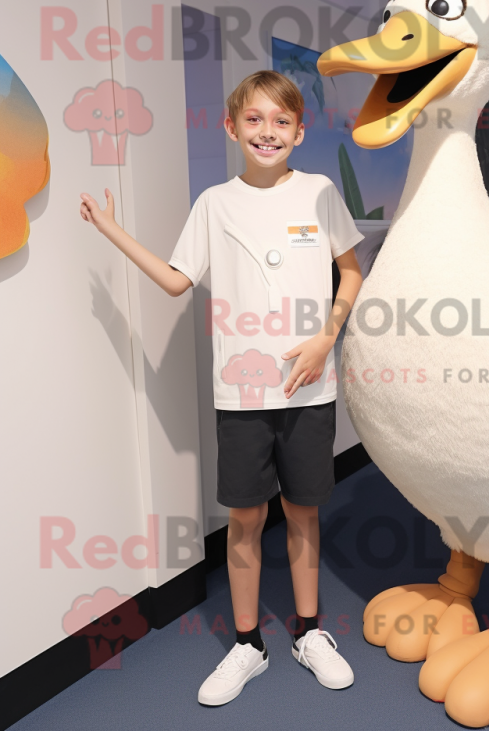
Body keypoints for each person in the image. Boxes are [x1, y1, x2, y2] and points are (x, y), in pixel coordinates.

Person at [79, 70, 365, 705]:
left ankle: (309, 634)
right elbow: (179, 281)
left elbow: (350, 271)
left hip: (309, 391)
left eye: (281, 121)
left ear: (299, 130)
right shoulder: (214, 202)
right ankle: (247, 645)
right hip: (241, 396)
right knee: (243, 516)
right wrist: (110, 230)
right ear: (232, 128)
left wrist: (327, 336)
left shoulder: (319, 193)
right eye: (255, 120)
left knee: (304, 512)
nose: (268, 131)